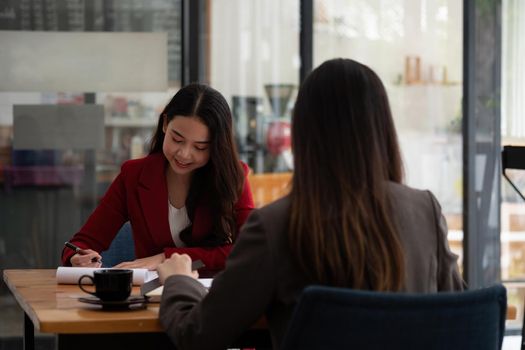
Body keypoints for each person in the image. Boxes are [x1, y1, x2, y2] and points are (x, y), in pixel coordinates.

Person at [156, 58, 464, 349]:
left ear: (303, 133)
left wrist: (180, 282)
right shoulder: (424, 211)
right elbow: (460, 314)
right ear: (383, 130)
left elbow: (197, 335)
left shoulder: (275, 226)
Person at [61, 83, 254, 273]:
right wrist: (77, 257)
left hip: (212, 297)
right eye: (177, 139)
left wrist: (164, 258)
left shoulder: (233, 177)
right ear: (165, 124)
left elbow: (250, 249)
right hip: (151, 297)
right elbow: (81, 242)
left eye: (200, 147)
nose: (184, 154)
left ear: (216, 146)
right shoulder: (134, 176)